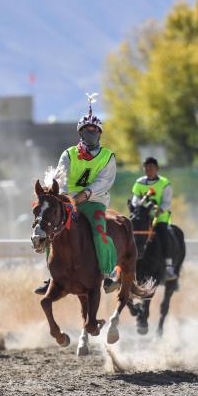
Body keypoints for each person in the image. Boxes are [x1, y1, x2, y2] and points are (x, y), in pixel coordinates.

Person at [34, 94, 120, 294]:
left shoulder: (108, 156)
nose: (91, 133)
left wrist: (85, 194)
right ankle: (52, 276)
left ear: (99, 133)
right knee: (51, 229)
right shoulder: (69, 153)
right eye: (87, 130)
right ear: (80, 132)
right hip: (68, 200)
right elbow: (61, 175)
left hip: (95, 201)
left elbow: (104, 182)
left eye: (94, 130)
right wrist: (62, 195)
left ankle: (108, 275)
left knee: (99, 232)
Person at [131, 157, 177, 281]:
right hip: (143, 218)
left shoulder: (164, 183)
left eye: (151, 168)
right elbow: (135, 199)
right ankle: (121, 266)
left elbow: (167, 202)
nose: (149, 171)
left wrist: (159, 210)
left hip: (159, 217)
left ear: (156, 169)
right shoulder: (139, 182)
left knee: (163, 234)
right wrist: (139, 205)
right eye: (146, 168)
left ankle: (169, 267)